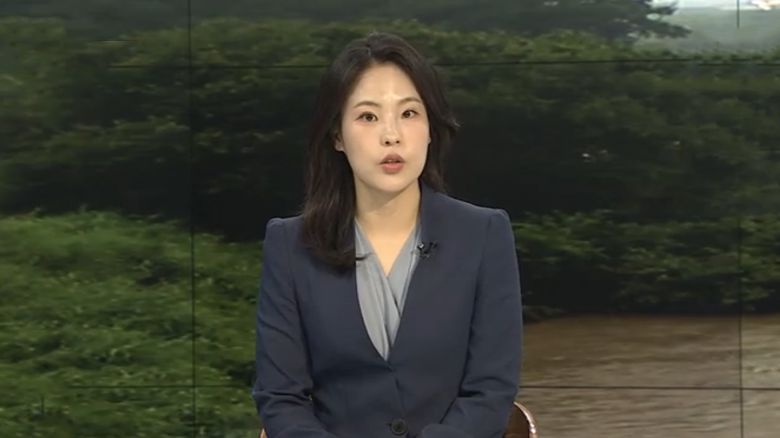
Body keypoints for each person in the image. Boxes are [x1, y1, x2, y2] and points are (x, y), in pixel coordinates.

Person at [251, 30, 523, 438]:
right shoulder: (290, 245)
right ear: (337, 135)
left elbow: (491, 392)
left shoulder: (484, 235)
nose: (391, 135)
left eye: (409, 113)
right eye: (368, 117)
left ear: (430, 128)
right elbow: (280, 398)